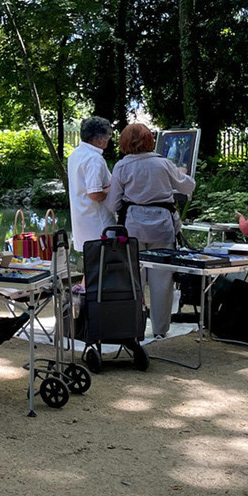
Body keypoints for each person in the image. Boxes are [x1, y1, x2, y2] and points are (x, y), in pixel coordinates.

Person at [103, 123, 196, 337]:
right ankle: (160, 329)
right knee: (162, 280)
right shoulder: (163, 163)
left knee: (133, 278)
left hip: (133, 228)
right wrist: (181, 172)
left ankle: (133, 327)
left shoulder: (122, 166)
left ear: (124, 143)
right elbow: (188, 187)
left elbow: (113, 203)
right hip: (162, 227)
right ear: (150, 141)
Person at [66, 116, 115, 252]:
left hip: (82, 221)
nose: (109, 140)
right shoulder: (94, 159)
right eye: (108, 136)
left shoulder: (75, 155)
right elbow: (94, 194)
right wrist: (113, 187)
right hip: (98, 224)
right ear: (99, 140)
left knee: (90, 262)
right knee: (102, 262)